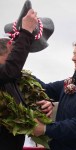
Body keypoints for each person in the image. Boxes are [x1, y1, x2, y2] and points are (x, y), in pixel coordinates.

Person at [0, 9, 52, 150]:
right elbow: (10, 70)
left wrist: (45, 105)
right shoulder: (8, 72)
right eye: (19, 50)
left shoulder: (13, 78)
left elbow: (25, 101)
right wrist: (27, 31)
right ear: (11, 45)